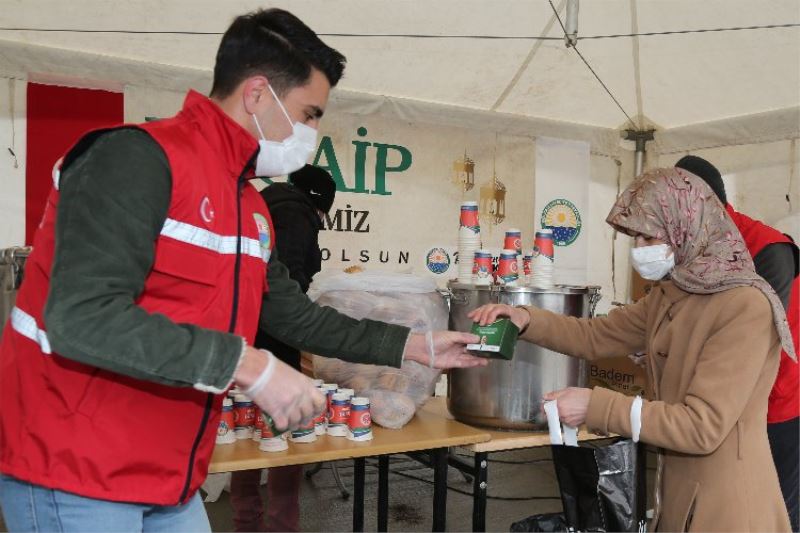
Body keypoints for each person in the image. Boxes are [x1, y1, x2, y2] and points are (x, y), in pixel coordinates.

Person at [0, 9, 485, 532]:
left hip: (169, 476)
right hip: (74, 471)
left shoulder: (248, 206)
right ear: (257, 94)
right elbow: (83, 318)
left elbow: (297, 318)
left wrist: (417, 346)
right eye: (310, 113)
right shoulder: (135, 159)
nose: (312, 133)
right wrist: (248, 365)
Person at [471, 167, 796, 532]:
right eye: (636, 239)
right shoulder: (673, 293)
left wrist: (596, 406)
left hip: (730, 507)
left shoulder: (744, 306)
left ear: (686, 228)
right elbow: (595, 336)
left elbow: (702, 426)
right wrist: (525, 319)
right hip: (677, 491)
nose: (640, 252)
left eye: (648, 238)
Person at [675, 155, 799, 531]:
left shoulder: (768, 249)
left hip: (780, 399)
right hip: (734, 401)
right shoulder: (699, 245)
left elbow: (758, 340)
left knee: (777, 509)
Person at [230, 164, 336, 532]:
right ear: (320, 201)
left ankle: (246, 521)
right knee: (283, 433)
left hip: (245, 335)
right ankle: (281, 525)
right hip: (276, 338)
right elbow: (287, 283)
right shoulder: (295, 214)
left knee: (246, 432)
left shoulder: (263, 204)